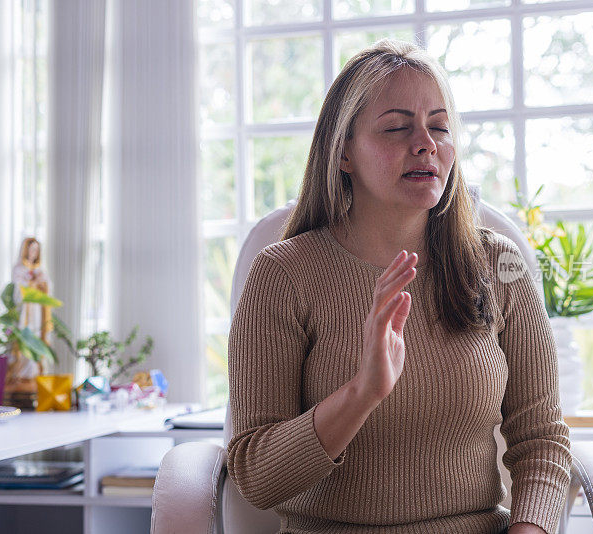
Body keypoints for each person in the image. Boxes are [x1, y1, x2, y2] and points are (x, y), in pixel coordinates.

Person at [227, 39, 571, 534]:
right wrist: (361, 394)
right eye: (396, 127)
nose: (426, 144)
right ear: (342, 152)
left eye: (439, 126)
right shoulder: (284, 275)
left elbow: (541, 438)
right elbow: (256, 478)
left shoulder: (498, 265)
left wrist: (528, 530)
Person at [5, 237, 53, 388]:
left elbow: (47, 289)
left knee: (36, 339)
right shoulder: (19, 269)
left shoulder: (40, 269)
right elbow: (18, 291)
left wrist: (41, 283)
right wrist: (33, 283)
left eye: (37, 250)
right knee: (24, 340)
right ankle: (21, 376)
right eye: (32, 249)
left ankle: (33, 376)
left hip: (37, 312)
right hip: (25, 313)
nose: (34, 253)